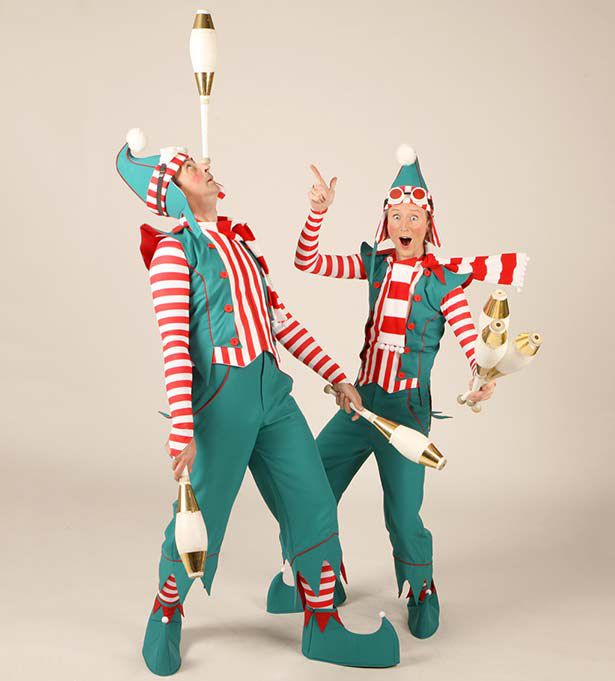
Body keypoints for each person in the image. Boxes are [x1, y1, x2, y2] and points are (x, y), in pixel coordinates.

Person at [115, 129, 400, 674]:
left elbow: (280, 320)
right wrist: (182, 425)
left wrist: (336, 375)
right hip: (222, 400)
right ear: (171, 190)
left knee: (312, 497)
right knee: (202, 513)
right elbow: (174, 343)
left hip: (273, 392)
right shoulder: (173, 251)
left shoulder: (242, 243)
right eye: (188, 167)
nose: (203, 165)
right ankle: (166, 610)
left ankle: (322, 625)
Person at [266, 145, 529, 640]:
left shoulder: (443, 283)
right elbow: (308, 261)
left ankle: (420, 589)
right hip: (360, 402)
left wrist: (480, 376)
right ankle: (320, 575)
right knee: (308, 486)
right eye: (395, 216)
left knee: (403, 515)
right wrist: (317, 212)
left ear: (428, 224)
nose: (403, 224)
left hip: (406, 412)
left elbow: (469, 340)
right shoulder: (377, 266)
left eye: (413, 216)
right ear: (385, 222)